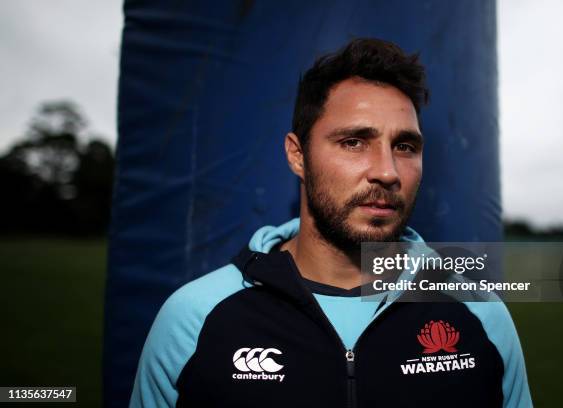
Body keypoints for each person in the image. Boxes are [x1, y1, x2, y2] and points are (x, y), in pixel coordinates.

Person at [129, 38, 532, 407]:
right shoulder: (194, 319)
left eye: (405, 146)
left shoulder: (481, 316)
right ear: (297, 155)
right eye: (354, 142)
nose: (387, 172)